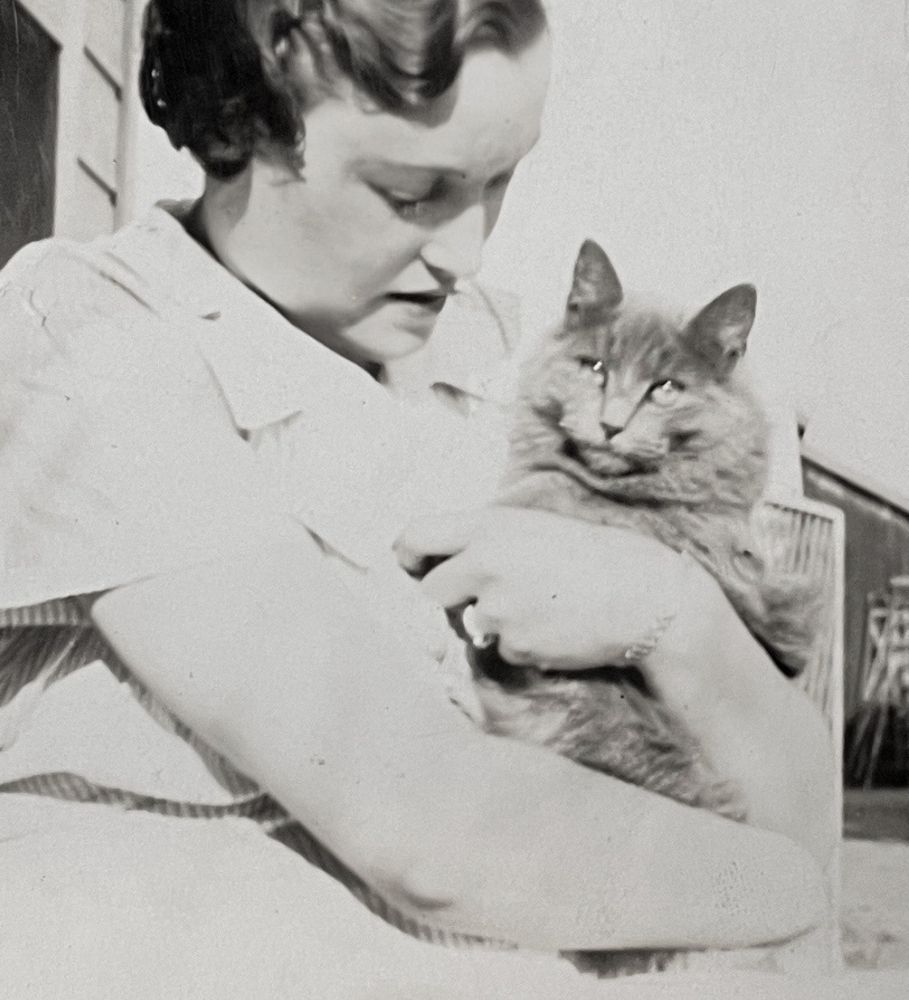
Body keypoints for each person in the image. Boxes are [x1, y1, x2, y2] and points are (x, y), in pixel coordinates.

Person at [0, 1, 849, 996]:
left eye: (501, 180)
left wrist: (670, 611)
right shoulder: (89, 341)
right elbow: (432, 833)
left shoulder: (500, 362)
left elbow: (799, 793)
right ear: (239, 121)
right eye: (412, 193)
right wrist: (794, 894)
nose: (468, 253)